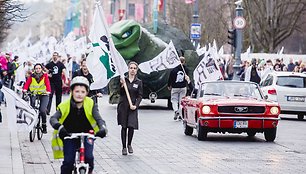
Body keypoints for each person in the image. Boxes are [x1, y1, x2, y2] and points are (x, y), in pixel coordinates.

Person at [50, 76, 107, 174]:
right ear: (72, 91)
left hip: (87, 134)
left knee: (89, 157)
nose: (79, 94)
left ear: (87, 93)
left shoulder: (91, 103)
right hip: (69, 135)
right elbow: (53, 119)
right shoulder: (65, 105)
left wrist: (102, 128)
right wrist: (60, 127)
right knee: (68, 162)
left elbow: (98, 118)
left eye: (82, 92)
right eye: (77, 91)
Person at [117, 61, 143, 155]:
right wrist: (121, 85)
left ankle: (129, 144)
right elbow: (120, 93)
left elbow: (140, 96)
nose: (132, 70)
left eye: (134, 68)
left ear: (136, 71)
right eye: (131, 68)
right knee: (124, 126)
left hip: (132, 107)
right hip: (123, 106)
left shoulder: (139, 82)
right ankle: (123, 147)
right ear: (128, 69)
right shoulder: (124, 80)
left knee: (131, 126)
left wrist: (136, 105)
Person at [23, 63, 51, 133]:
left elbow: (47, 84)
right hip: (34, 94)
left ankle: (44, 125)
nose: (38, 70)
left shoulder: (45, 76)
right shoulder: (32, 76)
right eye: (36, 68)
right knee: (32, 108)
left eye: (39, 68)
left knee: (42, 110)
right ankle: (31, 122)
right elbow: (27, 83)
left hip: (44, 94)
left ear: (41, 69)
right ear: (34, 69)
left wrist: (48, 91)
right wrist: (24, 89)